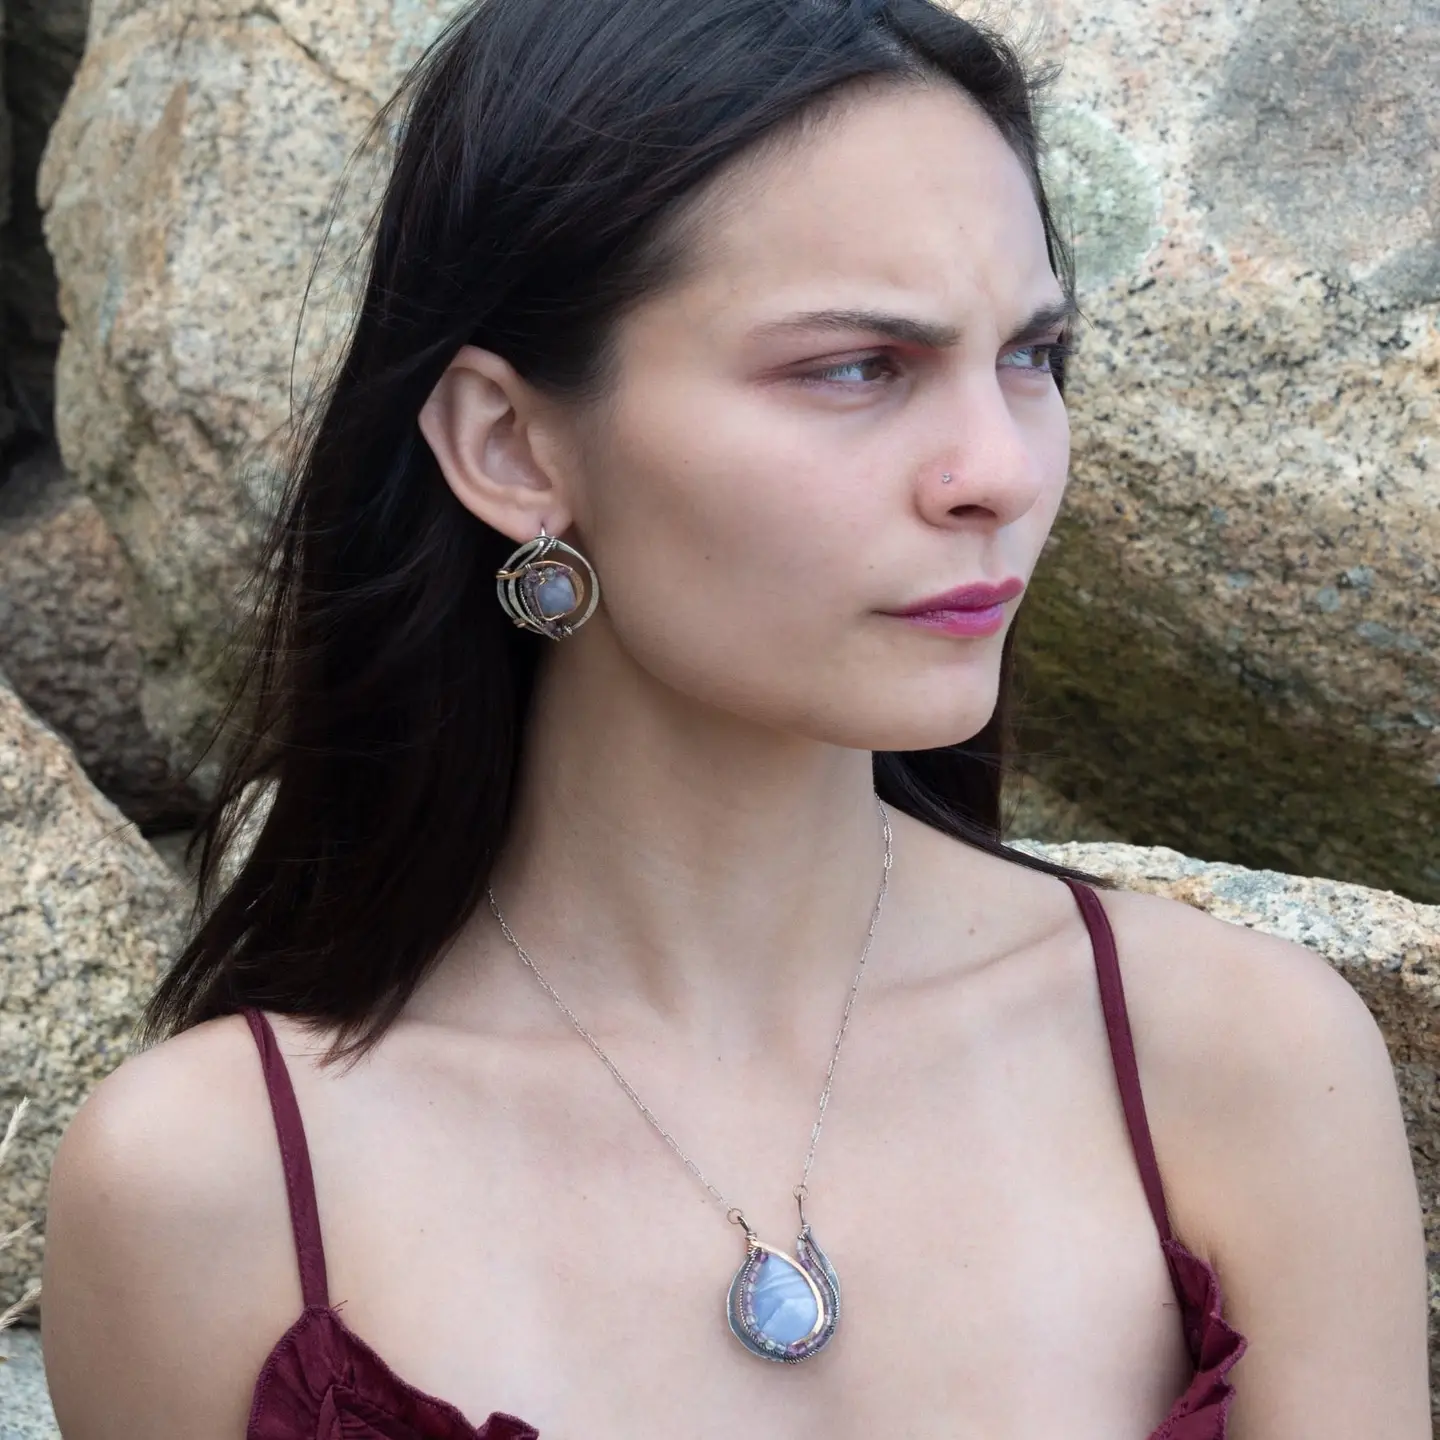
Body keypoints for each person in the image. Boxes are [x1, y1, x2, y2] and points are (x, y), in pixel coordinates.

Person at [38, 0, 1429, 1434]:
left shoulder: (1243, 1057)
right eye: (854, 367)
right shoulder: (212, 1190)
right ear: (510, 446)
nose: (1000, 469)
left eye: (1031, 355)